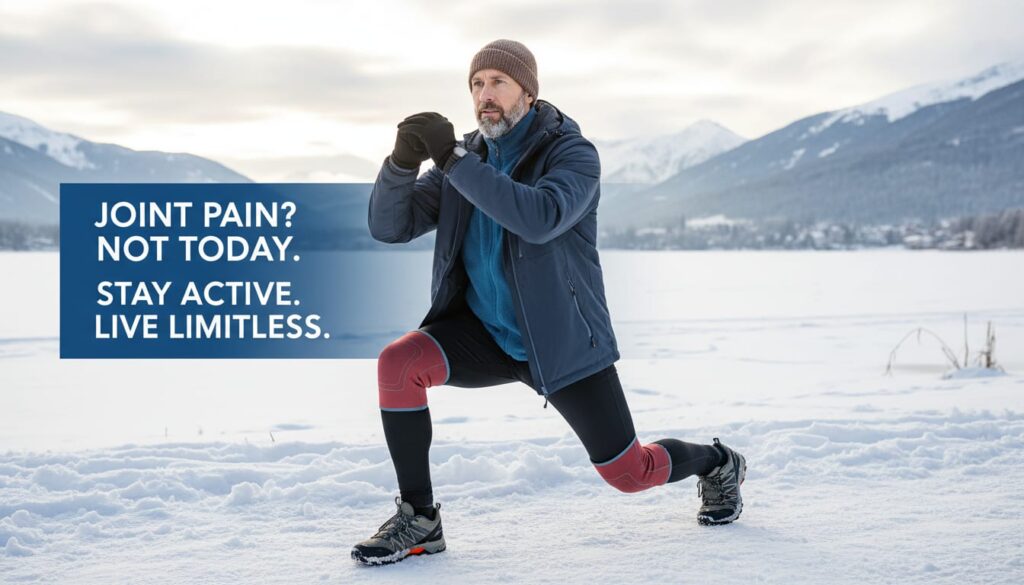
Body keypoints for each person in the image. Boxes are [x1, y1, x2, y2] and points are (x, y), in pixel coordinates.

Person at [352, 39, 747, 566]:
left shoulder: (572, 154)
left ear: (528, 92)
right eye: (476, 84)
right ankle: (420, 519)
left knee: (629, 474)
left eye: (497, 82)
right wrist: (402, 163)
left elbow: (537, 219)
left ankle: (717, 463)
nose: (484, 95)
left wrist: (450, 158)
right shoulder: (465, 159)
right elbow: (388, 226)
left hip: (562, 341)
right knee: (398, 364)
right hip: (485, 334)